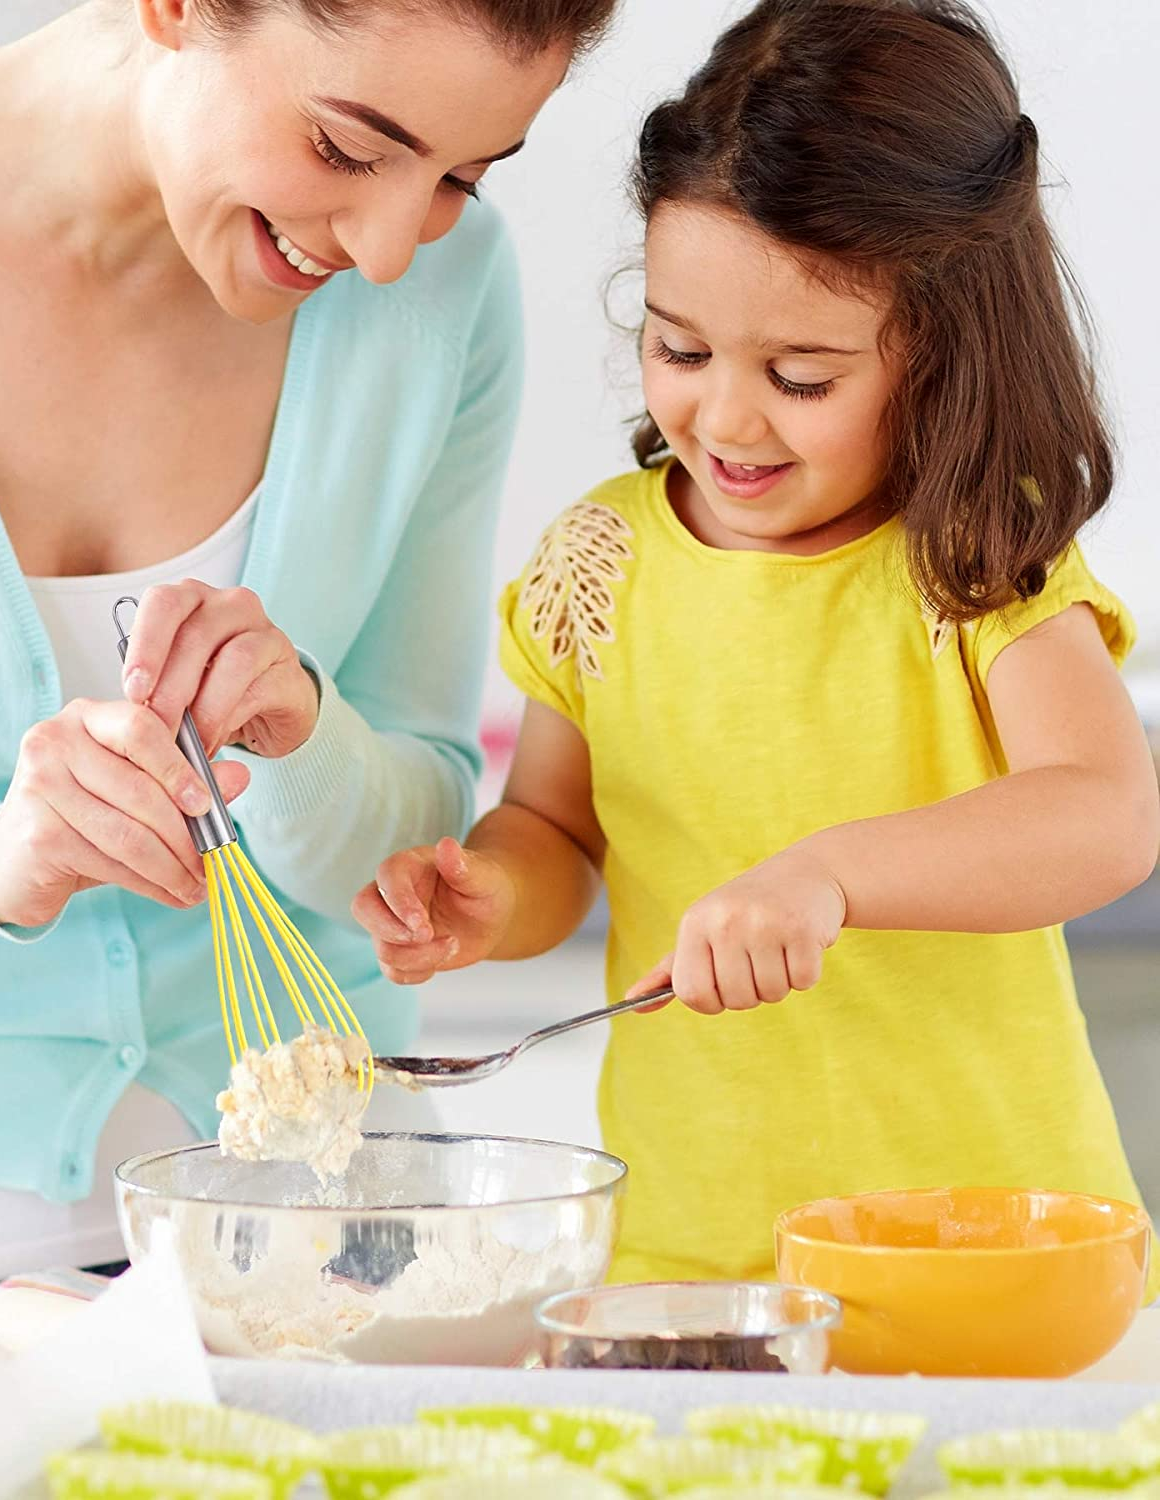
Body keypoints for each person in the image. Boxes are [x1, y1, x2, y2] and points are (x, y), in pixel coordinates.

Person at [0, 0, 618, 1278]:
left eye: (458, 177)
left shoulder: (451, 290)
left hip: (327, 1194)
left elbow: (418, 835)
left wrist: (311, 743)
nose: (391, 250)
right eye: (345, 149)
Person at [354, 0, 1160, 1287]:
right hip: (690, 1252)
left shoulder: (971, 556)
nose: (723, 415)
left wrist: (827, 876)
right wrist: (492, 898)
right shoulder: (597, 568)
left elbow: (1106, 815)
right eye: (679, 347)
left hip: (989, 1251)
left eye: (802, 377)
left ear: (942, 359)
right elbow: (561, 835)